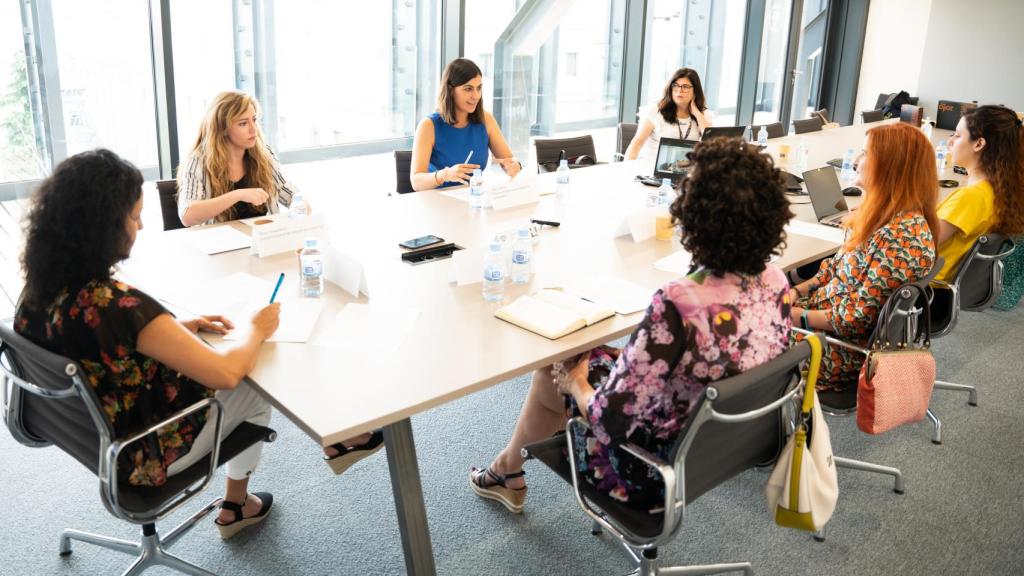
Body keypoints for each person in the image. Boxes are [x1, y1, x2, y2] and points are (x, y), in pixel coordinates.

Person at [469, 138, 793, 513]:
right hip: (725, 448)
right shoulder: (776, 281)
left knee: (558, 365)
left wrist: (577, 384)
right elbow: (724, 351)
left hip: (648, 472)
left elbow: (610, 420)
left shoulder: (679, 303)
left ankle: (507, 470)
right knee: (592, 361)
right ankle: (513, 463)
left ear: (693, 215)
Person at [16, 149, 280, 538]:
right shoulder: (120, 305)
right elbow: (225, 374)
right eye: (135, 217)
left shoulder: (38, 290)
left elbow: (95, 343)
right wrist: (257, 327)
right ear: (102, 226)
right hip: (140, 451)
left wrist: (172, 329)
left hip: (88, 432)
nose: (140, 227)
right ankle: (237, 506)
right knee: (253, 381)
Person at [790, 123, 938, 393]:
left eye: (865, 153)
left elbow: (851, 319)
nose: (857, 160)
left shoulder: (898, 239)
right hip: (817, 318)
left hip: (833, 350)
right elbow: (834, 268)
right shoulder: (883, 218)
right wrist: (796, 290)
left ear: (889, 166)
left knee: (729, 329)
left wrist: (795, 316)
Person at [177, 91, 300, 226]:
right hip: (220, 244)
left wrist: (300, 205)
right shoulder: (198, 161)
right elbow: (187, 216)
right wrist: (238, 195)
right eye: (243, 123)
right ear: (222, 129)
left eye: (254, 120)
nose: (254, 129)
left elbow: (289, 194)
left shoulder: (264, 155)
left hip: (259, 241)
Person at [934, 105, 1024, 282]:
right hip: (941, 286)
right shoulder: (996, 190)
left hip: (924, 286)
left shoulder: (970, 198)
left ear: (979, 144)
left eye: (958, 135)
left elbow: (919, 246)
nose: (950, 140)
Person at [410, 58, 522, 191]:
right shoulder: (428, 126)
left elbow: (509, 160)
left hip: (473, 198)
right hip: (436, 201)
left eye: (479, 88)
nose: (475, 96)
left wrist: (514, 166)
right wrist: (445, 175)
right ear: (451, 90)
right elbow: (416, 182)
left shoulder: (486, 119)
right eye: (468, 89)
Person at [624, 68, 713, 161]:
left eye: (685, 87)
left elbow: (711, 143)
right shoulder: (655, 111)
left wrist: (697, 113)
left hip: (687, 168)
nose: (679, 90)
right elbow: (636, 144)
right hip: (652, 167)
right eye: (675, 85)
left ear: (695, 91)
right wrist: (626, 169)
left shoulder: (703, 115)